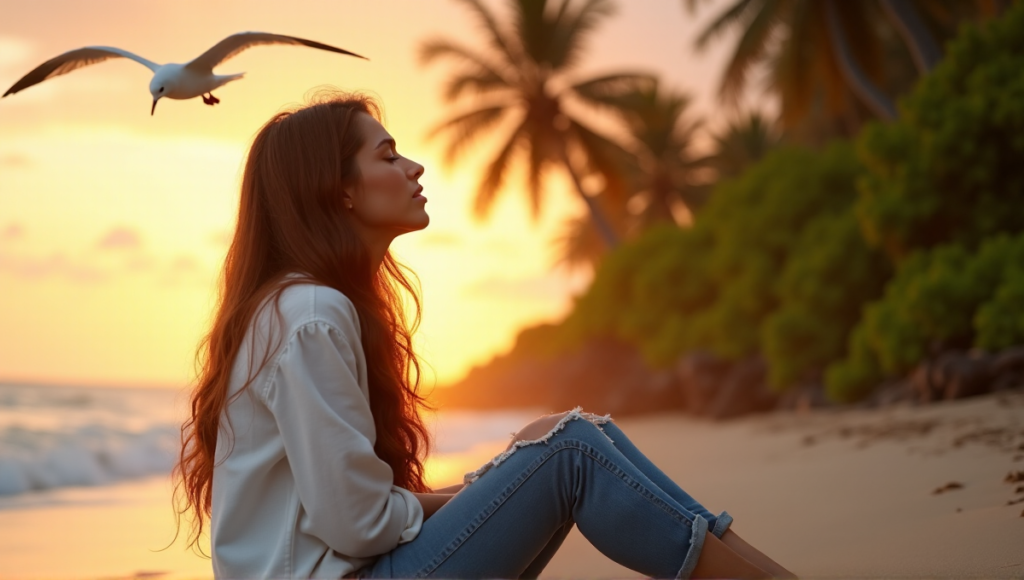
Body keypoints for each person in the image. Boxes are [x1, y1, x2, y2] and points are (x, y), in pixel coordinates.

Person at [174, 92, 797, 580]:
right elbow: (359, 526)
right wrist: (485, 485)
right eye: (388, 155)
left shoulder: (299, 306)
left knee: (572, 436)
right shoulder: (309, 311)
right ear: (338, 191)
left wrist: (495, 477)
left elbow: (355, 515)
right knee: (570, 448)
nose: (413, 166)